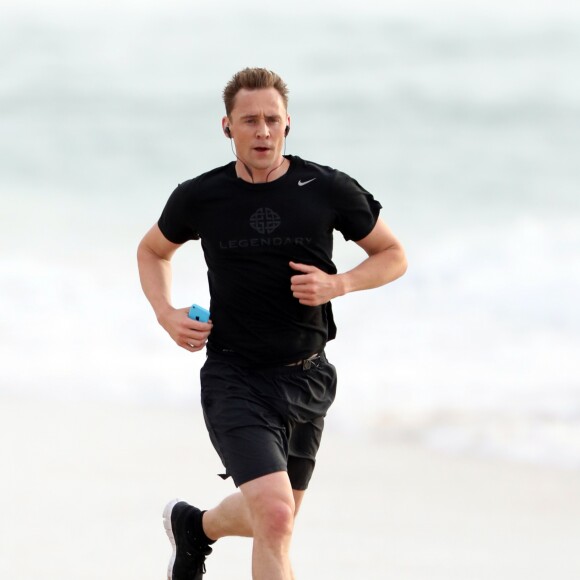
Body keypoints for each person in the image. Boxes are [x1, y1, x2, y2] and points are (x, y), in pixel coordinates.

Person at [137, 67, 407, 580]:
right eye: (250, 121)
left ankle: (196, 529)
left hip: (307, 375)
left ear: (287, 125)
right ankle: (200, 530)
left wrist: (339, 283)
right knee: (276, 515)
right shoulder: (201, 196)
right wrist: (165, 313)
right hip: (235, 376)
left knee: (276, 518)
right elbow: (152, 251)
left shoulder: (327, 188)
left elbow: (393, 255)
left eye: (272, 120)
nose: (262, 131)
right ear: (227, 127)